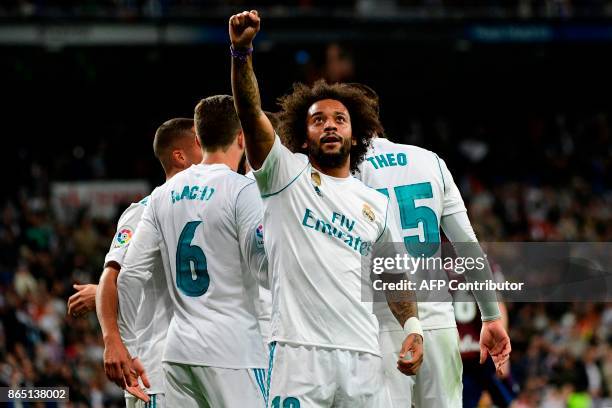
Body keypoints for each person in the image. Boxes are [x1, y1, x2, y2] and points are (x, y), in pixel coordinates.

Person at [229, 10, 423, 407]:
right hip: (298, 354)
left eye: (339, 119)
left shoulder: (376, 203)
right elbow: (250, 115)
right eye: (318, 120)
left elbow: (394, 275)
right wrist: (241, 52)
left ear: (356, 135)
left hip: (363, 356)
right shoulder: (285, 174)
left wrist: (414, 327)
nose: (330, 126)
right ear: (303, 137)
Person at [110, 95, 268, 407]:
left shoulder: (159, 196)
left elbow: (129, 276)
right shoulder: (242, 190)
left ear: (198, 138)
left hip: (178, 355)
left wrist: (127, 345)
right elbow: (264, 270)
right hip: (233, 351)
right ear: (242, 137)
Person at [355, 123, 512, 407]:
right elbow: (469, 248)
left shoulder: (345, 169)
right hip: (438, 320)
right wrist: (491, 316)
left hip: (378, 320)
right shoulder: (430, 160)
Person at [96, 117, 203, 407]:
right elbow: (113, 275)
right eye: (199, 141)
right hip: (156, 369)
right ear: (180, 156)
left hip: (204, 366)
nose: (208, 147)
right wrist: (113, 341)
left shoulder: (210, 206)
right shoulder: (144, 210)